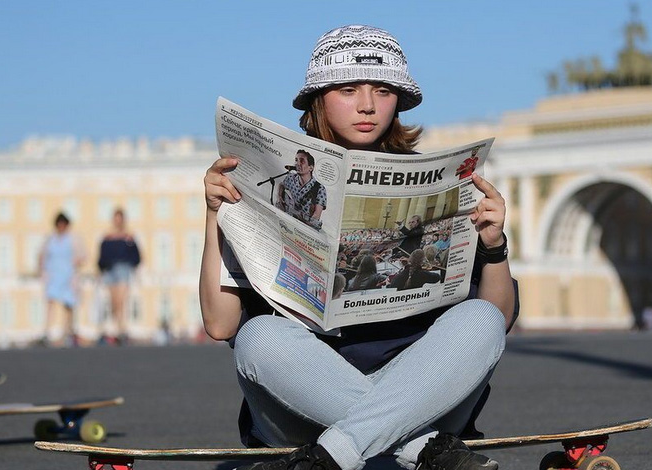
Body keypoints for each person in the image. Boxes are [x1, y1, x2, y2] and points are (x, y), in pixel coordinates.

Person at [200, 25, 517, 470]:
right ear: (320, 99)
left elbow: (497, 321)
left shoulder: (442, 181)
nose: (367, 105)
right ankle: (419, 450)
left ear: (398, 102)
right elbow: (219, 324)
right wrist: (214, 212)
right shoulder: (267, 178)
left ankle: (333, 455)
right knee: (258, 338)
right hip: (304, 402)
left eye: (383, 91)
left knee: (480, 318)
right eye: (348, 89)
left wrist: (494, 244)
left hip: (422, 391)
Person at [38, 212, 85, 347]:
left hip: (69, 276)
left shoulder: (73, 239)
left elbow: (83, 255)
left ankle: (67, 332)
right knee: (50, 303)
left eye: (63, 224)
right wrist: (42, 270)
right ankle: (47, 332)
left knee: (68, 304)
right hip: (53, 275)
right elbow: (42, 255)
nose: (61, 227)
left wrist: (77, 262)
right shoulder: (50, 239)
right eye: (59, 224)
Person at [97, 208, 141, 345]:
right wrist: (101, 269)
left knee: (121, 300)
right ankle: (117, 328)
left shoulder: (128, 237)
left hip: (123, 268)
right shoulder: (107, 237)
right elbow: (102, 256)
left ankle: (122, 329)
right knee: (113, 301)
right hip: (109, 270)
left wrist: (132, 266)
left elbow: (137, 256)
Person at [277, 149, 327, 230]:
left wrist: (300, 220)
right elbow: (281, 185)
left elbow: (316, 217)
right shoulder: (291, 178)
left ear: (311, 168)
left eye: (302, 161)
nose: (297, 163)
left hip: (303, 226)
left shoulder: (320, 189)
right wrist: (279, 196)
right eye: (296, 160)